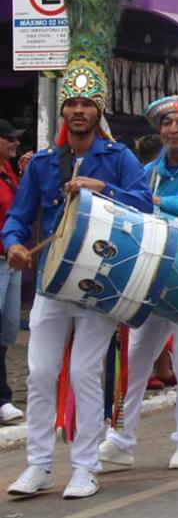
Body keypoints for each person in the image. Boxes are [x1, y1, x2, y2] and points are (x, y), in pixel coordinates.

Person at [5, 0, 152, 498]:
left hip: (99, 283)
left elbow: (145, 205)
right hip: (49, 279)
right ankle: (39, 464)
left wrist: (100, 189)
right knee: (41, 375)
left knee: (86, 375)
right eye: (71, 103)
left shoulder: (120, 157)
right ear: (64, 110)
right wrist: (15, 245)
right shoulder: (44, 162)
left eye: (87, 103)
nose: (79, 111)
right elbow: (19, 217)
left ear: (100, 108)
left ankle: (86, 466)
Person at [100, 95, 178, 473]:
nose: (174, 128)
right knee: (137, 356)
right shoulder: (150, 168)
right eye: (168, 123)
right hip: (153, 269)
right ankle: (122, 438)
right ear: (160, 131)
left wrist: (160, 201)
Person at [0, 119, 24, 426]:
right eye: (10, 140)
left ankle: (3, 396)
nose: (15, 144)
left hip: (11, 260)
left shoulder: (7, 172)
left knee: (6, 333)